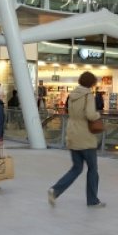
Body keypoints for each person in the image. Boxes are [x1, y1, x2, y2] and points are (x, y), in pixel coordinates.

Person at [48, 72, 105, 208]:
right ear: (91, 83)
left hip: (72, 133)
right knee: (92, 169)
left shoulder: (72, 95)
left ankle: (55, 190)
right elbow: (91, 115)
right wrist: (98, 114)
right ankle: (92, 201)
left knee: (76, 168)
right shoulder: (88, 95)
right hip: (85, 136)